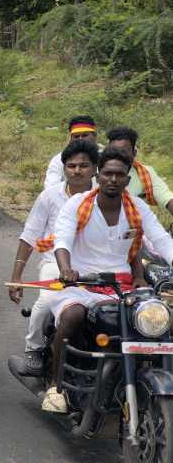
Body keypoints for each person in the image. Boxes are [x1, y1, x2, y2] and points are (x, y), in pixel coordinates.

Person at [42, 147, 173, 413]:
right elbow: (62, 240)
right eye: (108, 173)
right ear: (98, 175)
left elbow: (161, 240)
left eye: (119, 175)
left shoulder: (137, 208)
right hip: (80, 284)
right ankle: (55, 387)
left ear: (127, 179)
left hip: (121, 287)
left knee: (160, 321)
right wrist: (66, 269)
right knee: (72, 316)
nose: (113, 179)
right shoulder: (78, 204)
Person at [8, 139, 98, 377]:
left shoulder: (106, 196)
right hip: (54, 264)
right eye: (71, 166)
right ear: (64, 168)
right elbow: (30, 235)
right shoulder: (49, 196)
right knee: (47, 302)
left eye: (84, 166)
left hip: (96, 266)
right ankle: (34, 350)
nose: (77, 171)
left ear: (94, 169)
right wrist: (16, 276)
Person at [107, 126, 173, 216]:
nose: (117, 156)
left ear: (134, 153)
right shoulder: (96, 171)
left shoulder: (145, 173)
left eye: (123, 152)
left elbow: (167, 198)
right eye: (113, 151)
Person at [43, 116, 99, 188]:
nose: (80, 139)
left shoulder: (105, 158)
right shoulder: (58, 160)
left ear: (94, 136)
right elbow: (51, 187)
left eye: (85, 135)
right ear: (71, 139)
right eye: (76, 136)